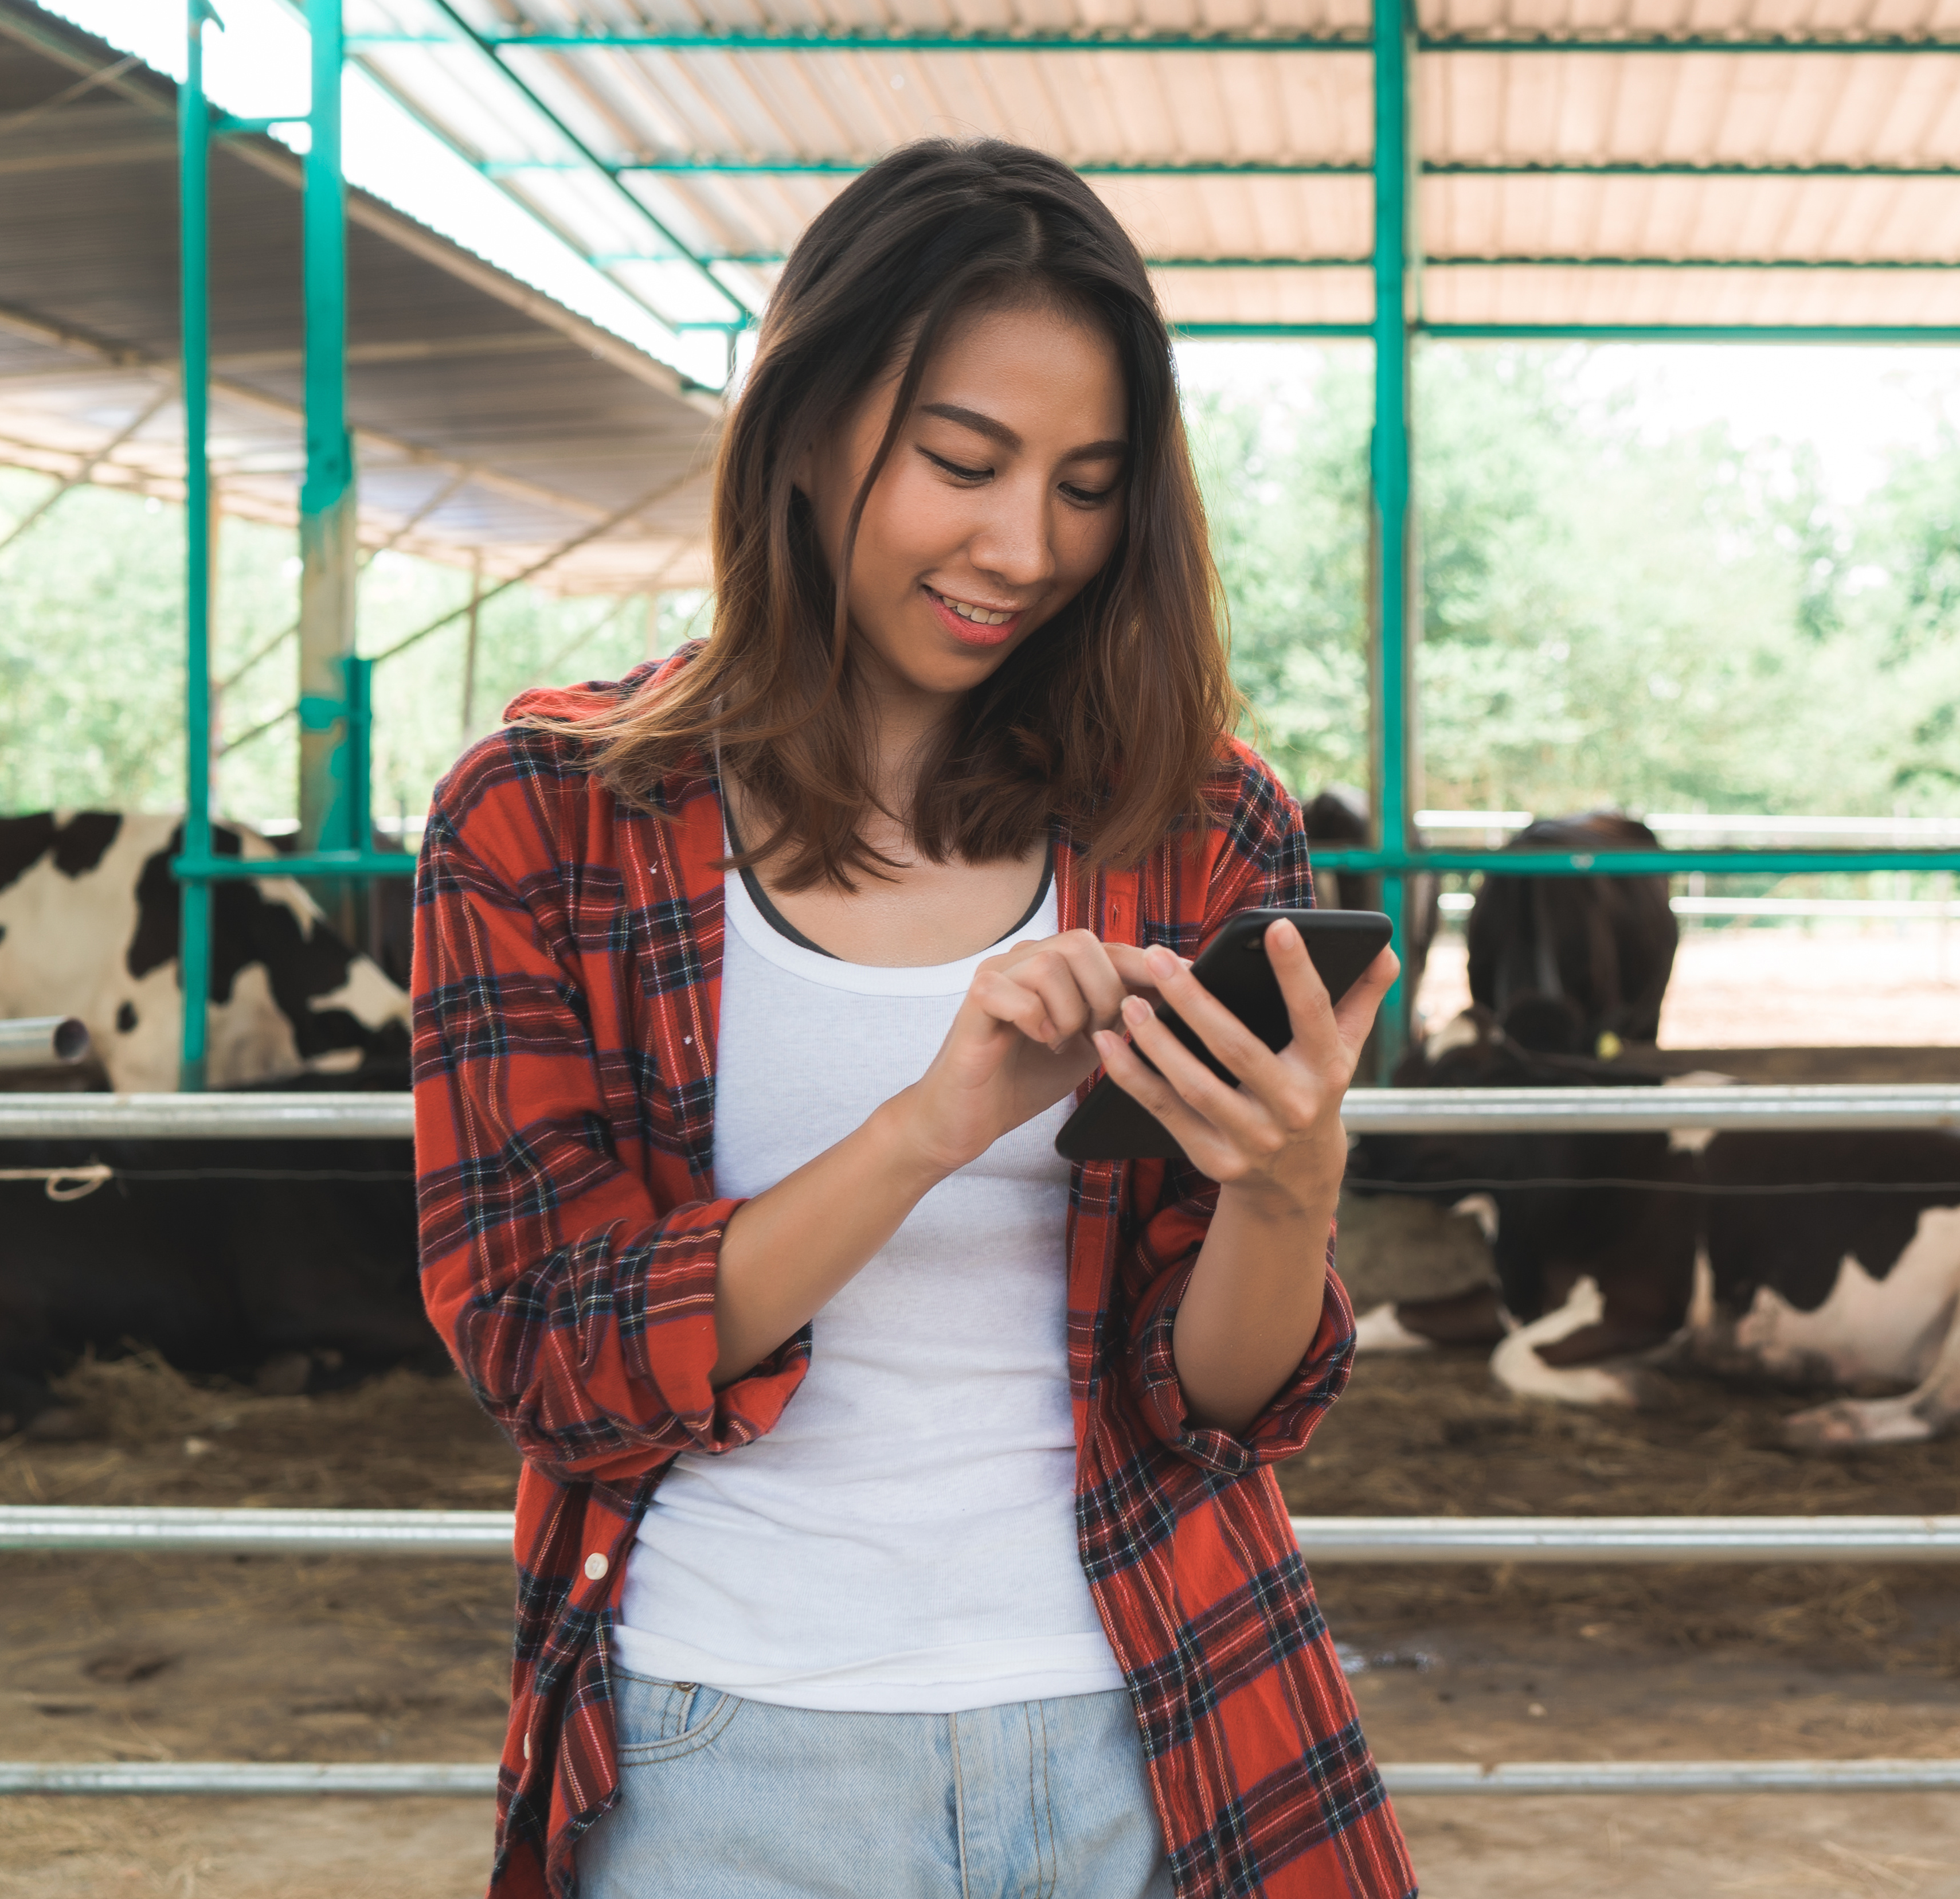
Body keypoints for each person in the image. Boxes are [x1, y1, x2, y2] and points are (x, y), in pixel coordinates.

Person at [409, 139, 1414, 1899]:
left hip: (1152, 1728)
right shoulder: (542, 816)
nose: (1025, 548)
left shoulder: (1198, 825)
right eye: (964, 460)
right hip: (727, 1749)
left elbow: (1219, 1407)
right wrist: (929, 1126)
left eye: (1090, 486)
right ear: (805, 423)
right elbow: (549, 1351)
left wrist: (1287, 1185)